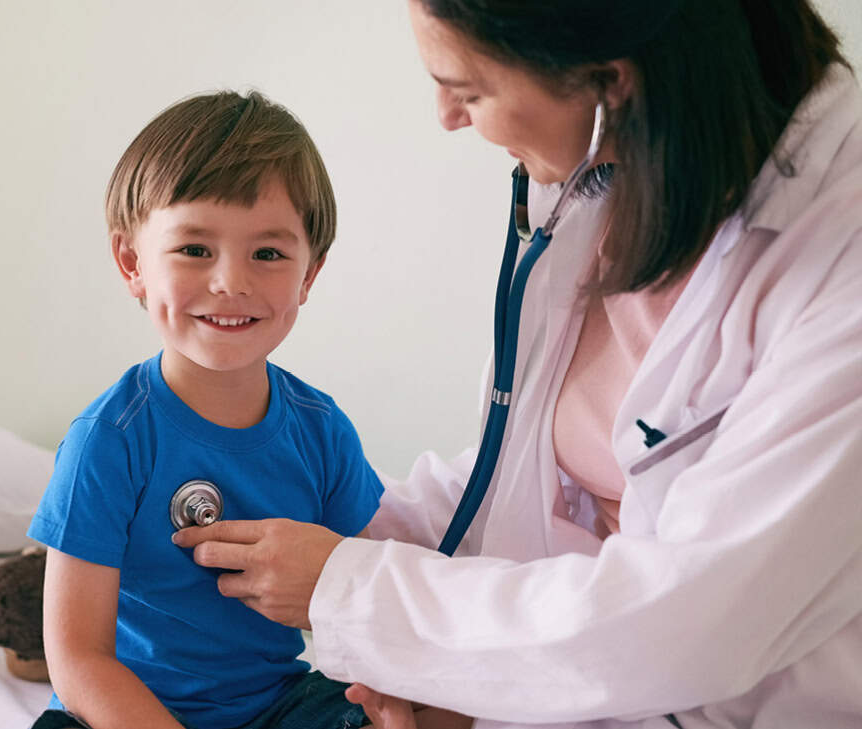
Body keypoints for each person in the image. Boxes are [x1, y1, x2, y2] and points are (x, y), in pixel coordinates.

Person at [174, 1, 862, 727]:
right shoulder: (612, 183)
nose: (444, 114)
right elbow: (516, 465)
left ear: (610, 82)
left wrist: (353, 590)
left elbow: (688, 621)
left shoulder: (837, 268)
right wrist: (358, 544)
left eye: (469, 91)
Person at [26, 90, 385, 729]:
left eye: (268, 254)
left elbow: (362, 599)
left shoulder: (322, 430)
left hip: (279, 706)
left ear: (309, 274)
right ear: (132, 262)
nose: (231, 282)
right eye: (195, 250)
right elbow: (78, 658)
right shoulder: (109, 440)